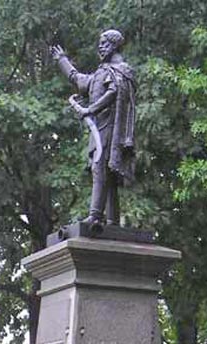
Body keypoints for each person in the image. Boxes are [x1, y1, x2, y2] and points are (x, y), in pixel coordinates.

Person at [51, 29, 136, 226]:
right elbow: (78, 79)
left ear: (115, 45)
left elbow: (114, 92)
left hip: (112, 130)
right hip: (100, 129)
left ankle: (96, 215)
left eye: (104, 43)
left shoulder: (121, 70)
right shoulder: (101, 73)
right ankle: (112, 221)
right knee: (106, 174)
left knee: (102, 170)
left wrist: (90, 110)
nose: (100, 47)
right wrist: (62, 60)